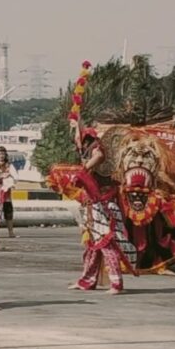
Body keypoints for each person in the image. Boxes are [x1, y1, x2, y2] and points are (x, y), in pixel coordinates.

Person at [66, 118, 137, 295]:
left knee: (107, 244)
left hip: (104, 203)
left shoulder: (96, 147)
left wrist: (84, 170)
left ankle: (116, 283)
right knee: (92, 245)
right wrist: (76, 125)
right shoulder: (86, 149)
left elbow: (99, 156)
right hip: (93, 204)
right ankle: (87, 280)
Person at [0, 146, 18, 238]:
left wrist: (9, 176)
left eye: (3, 154)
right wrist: (0, 176)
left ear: (5, 155)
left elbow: (16, 176)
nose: (1, 156)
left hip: (6, 193)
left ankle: (11, 232)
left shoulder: (9, 165)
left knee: (8, 211)